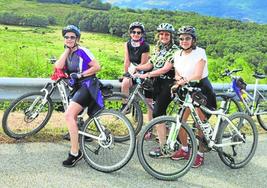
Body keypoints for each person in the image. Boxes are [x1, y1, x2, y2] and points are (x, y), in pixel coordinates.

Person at [54, 25, 104, 167]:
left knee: (69, 115)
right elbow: (58, 66)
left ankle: (75, 153)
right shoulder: (68, 53)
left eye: (72, 37)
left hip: (88, 85)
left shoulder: (83, 51)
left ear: (77, 39)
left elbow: (97, 67)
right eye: (66, 37)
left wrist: (81, 74)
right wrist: (66, 50)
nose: (69, 39)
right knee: (73, 117)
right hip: (78, 87)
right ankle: (77, 139)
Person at [171, 26, 217, 168]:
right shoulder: (177, 54)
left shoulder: (200, 52)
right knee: (181, 121)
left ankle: (200, 154)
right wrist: (178, 82)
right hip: (187, 90)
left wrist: (180, 82)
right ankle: (184, 149)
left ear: (193, 40)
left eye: (188, 38)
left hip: (201, 89)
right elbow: (177, 73)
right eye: (182, 38)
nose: (184, 41)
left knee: (199, 123)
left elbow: (197, 74)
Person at [134, 23, 179, 156]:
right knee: (158, 111)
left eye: (166, 34)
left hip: (169, 84)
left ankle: (164, 148)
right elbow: (150, 64)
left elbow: (165, 69)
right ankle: (164, 139)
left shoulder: (174, 50)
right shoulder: (159, 48)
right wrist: (138, 68)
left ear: (171, 36)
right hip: (158, 83)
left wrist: (146, 75)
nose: (163, 36)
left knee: (158, 113)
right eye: (161, 34)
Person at [121, 22, 153, 121]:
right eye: (133, 32)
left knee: (149, 100)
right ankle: (125, 105)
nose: (136, 34)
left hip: (142, 69)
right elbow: (127, 60)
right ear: (130, 33)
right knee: (125, 82)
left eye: (138, 33)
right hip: (132, 69)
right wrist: (126, 73)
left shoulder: (145, 46)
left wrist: (134, 73)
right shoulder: (127, 44)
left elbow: (143, 64)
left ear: (142, 34)